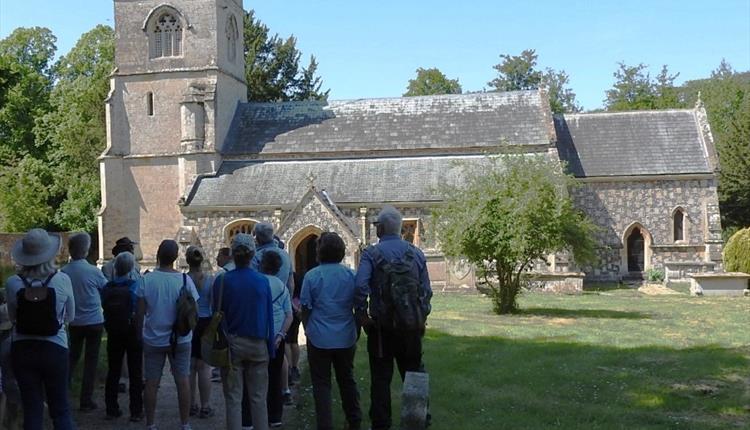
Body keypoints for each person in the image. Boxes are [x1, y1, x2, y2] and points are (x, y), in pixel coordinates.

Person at [354, 206, 432, 430]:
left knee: (381, 379)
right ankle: (418, 421)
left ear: (380, 228)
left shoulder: (371, 254)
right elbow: (426, 290)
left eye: (377, 225)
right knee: (415, 375)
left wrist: (362, 315)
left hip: (382, 329)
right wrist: (419, 316)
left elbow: (360, 286)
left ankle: (381, 424)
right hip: (411, 327)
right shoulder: (416, 253)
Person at [5, 228, 76, 430]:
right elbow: (71, 315)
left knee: (32, 408)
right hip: (55, 348)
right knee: (60, 409)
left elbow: (12, 317)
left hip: (23, 348)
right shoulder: (62, 280)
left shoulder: (12, 283)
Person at [135, 240, 199, 430]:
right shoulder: (185, 281)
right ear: (175, 258)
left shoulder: (146, 280)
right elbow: (194, 310)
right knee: (183, 380)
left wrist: (139, 335)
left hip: (154, 338)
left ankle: (151, 424)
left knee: (152, 382)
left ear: (157, 255)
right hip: (180, 338)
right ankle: (185, 423)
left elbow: (139, 313)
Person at [301, 232, 362, 430]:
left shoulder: (312, 276)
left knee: (321, 384)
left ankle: (325, 425)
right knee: (347, 379)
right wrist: (356, 329)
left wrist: (308, 328)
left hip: (319, 336)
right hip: (345, 335)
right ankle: (354, 420)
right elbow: (359, 305)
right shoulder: (351, 275)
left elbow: (305, 308)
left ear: (319, 251)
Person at [214, 233, 274, 430]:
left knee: (233, 399)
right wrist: (271, 347)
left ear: (233, 254)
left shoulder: (222, 281)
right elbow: (269, 318)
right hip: (258, 343)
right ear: (252, 254)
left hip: (232, 344)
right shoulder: (262, 281)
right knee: (258, 399)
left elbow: (217, 314)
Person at [242, 251, 292, 428]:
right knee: (274, 377)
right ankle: (275, 417)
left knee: (249, 378)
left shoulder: (255, 283)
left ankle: (247, 420)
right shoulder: (281, 285)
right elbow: (288, 315)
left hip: (256, 336)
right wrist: (280, 336)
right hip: (276, 339)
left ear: (261, 264)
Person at [61, 232, 108, 412]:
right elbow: (106, 288)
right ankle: (85, 400)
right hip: (94, 320)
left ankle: (63, 394)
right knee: (91, 361)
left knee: (71, 358)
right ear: (87, 250)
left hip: (74, 321)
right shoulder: (93, 271)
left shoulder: (64, 272)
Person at [101, 251, 143, 421]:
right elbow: (137, 308)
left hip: (113, 330)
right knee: (135, 372)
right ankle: (136, 411)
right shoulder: (135, 285)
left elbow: (104, 305)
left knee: (113, 370)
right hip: (131, 330)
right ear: (131, 268)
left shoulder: (107, 287)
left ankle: (111, 408)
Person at [185, 246, 215, 419]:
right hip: (206, 322)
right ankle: (205, 405)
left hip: (190, 322)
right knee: (204, 366)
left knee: (190, 366)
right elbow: (212, 302)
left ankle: (191, 404)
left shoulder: (184, 279)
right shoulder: (210, 280)